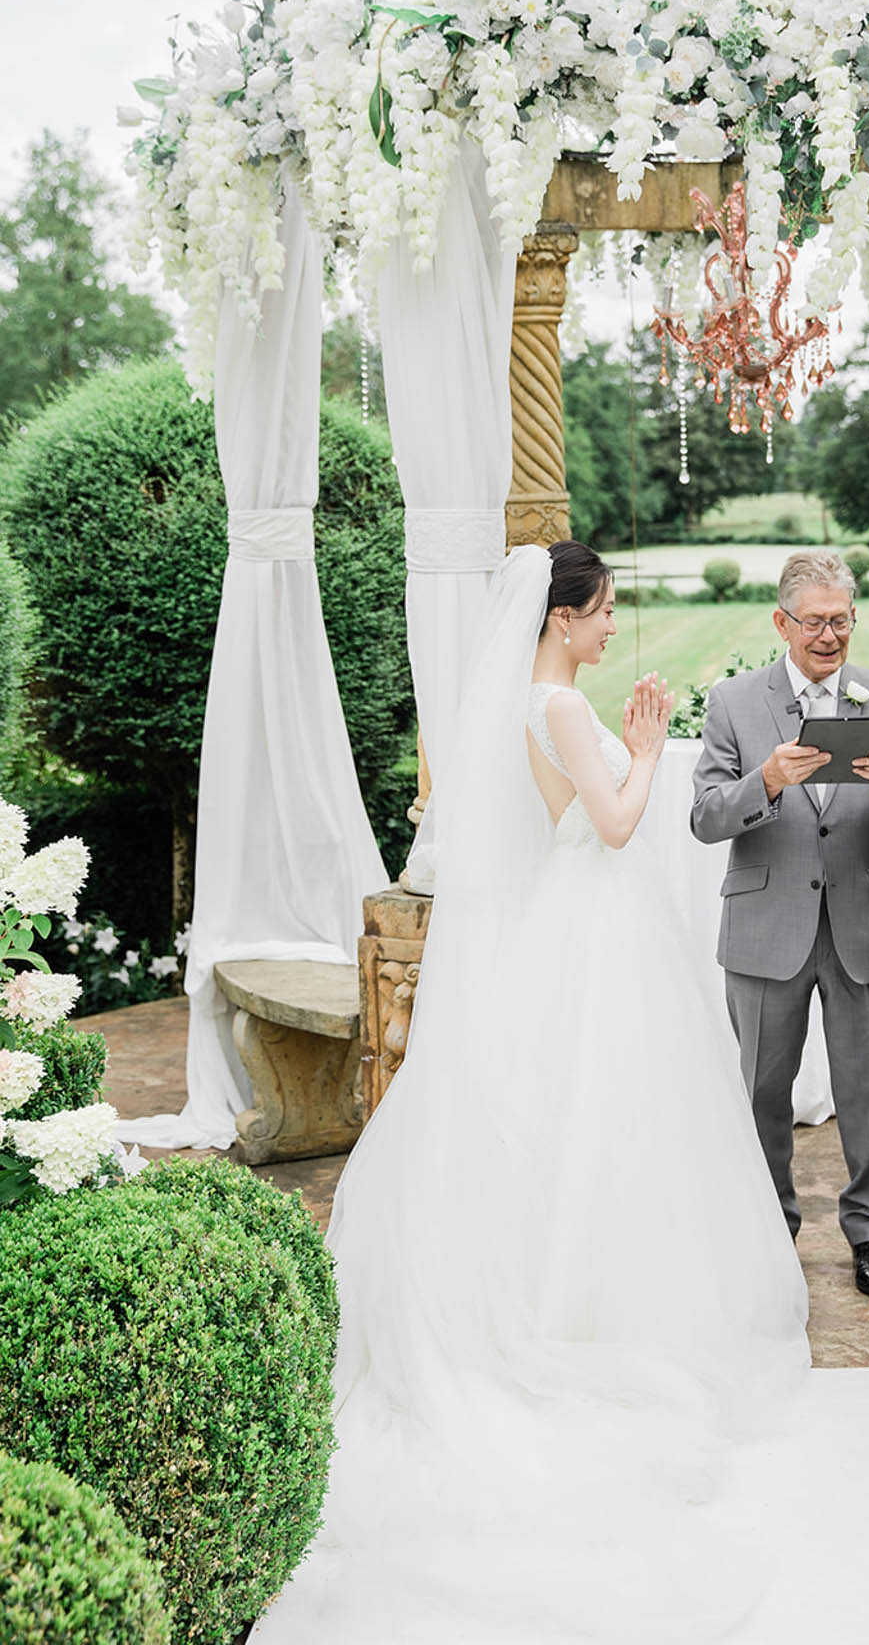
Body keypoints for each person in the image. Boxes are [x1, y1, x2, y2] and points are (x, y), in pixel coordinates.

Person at [251, 542, 809, 1644]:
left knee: (575, 1127)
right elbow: (607, 821)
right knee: (605, 1123)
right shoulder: (556, 705)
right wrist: (646, 752)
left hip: (577, 921)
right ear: (561, 618)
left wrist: (628, 746)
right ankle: (588, 1314)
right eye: (602, 613)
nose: (610, 630)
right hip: (593, 925)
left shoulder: (536, 698)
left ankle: (583, 1289)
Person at [690, 548, 869, 1297]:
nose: (829, 637)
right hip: (768, 926)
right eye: (814, 623)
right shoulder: (734, 703)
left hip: (861, 923)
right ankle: (770, 1232)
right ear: (782, 622)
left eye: (841, 621)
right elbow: (703, 817)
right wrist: (764, 780)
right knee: (763, 1090)